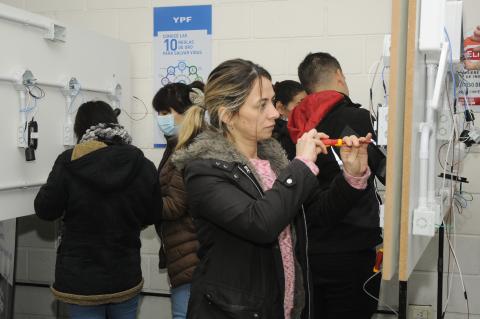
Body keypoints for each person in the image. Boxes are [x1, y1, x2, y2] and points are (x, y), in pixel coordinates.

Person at [170, 58, 373, 319]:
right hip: (235, 311)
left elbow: (316, 216)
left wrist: (351, 176)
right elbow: (260, 223)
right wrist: (301, 165)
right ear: (228, 115)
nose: (275, 113)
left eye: (272, 101)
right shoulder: (205, 170)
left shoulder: (274, 162)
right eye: (261, 105)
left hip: (283, 307)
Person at [34, 101, 161, 319]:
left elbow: (46, 210)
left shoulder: (69, 161)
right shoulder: (142, 163)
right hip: (125, 273)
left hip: (80, 278)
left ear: (79, 129)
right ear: (114, 122)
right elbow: (154, 213)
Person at [290, 52, 383, 319]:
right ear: (339, 76)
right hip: (351, 247)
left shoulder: (293, 126)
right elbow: (384, 170)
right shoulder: (358, 119)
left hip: (307, 249)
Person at [152, 82, 201, 319]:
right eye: (159, 114)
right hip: (182, 250)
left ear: (187, 113)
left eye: (165, 113)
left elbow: (174, 206)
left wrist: (140, 202)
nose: (160, 119)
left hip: (191, 252)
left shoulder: (190, 149)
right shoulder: (175, 145)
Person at [272, 80, 306, 160]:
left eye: (307, 103)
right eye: (300, 104)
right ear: (280, 108)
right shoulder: (282, 139)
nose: (307, 109)